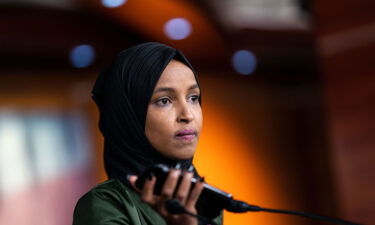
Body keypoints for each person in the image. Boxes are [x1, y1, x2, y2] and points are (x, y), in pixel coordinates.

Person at [72, 42, 223, 225]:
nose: (187, 115)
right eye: (164, 100)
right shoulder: (104, 206)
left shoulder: (204, 198)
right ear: (128, 116)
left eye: (193, 98)